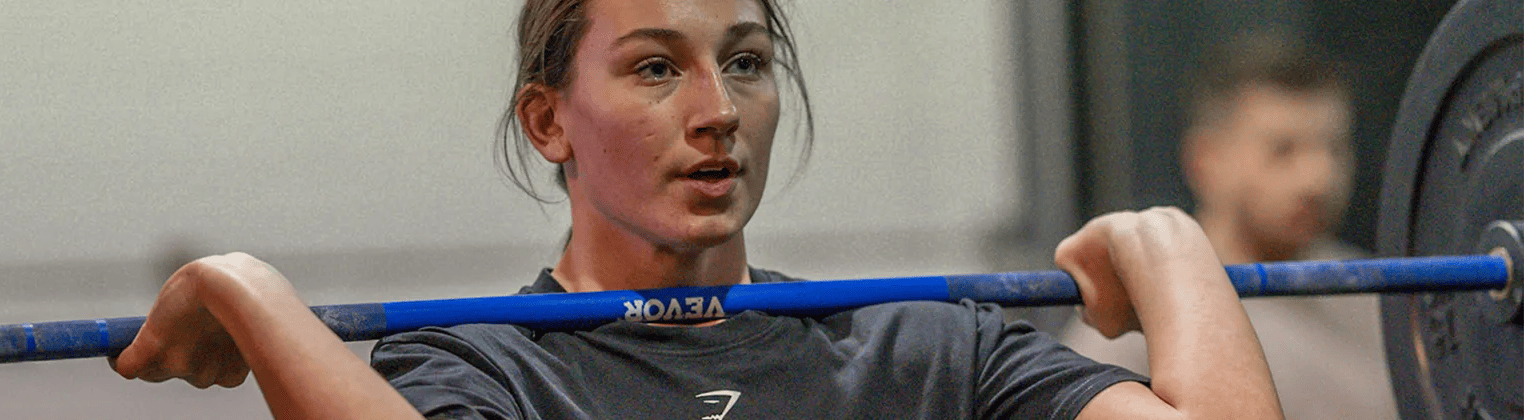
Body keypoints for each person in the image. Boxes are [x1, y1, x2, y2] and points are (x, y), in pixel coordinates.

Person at [108, 1, 1283, 418]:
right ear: (547, 121)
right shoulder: (481, 372)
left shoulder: (915, 348)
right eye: (655, 68)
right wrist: (246, 293)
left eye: (748, 62)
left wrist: (1163, 240)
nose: (718, 111)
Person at [1058, 33, 1395, 419]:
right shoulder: (1136, 310)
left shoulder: (1374, 295)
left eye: (1334, 148)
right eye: (1282, 150)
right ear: (1206, 160)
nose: (1318, 177)